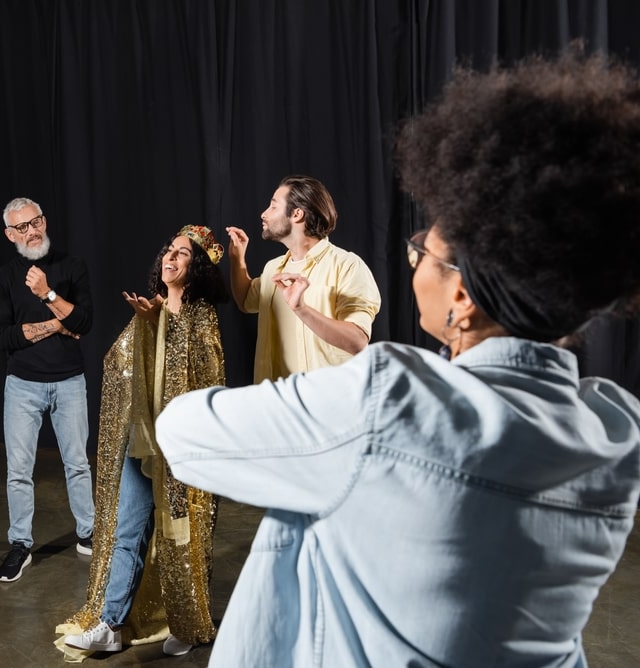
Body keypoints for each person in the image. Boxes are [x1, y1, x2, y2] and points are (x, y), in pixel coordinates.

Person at [155, 47, 640, 668]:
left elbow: (182, 430)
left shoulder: (392, 398)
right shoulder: (614, 430)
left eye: (423, 252)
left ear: (461, 295)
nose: (414, 261)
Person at [56, 226, 229, 660]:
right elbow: (118, 363)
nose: (171, 258)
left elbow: (205, 377)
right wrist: (150, 325)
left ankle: (189, 623)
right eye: (169, 251)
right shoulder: (148, 308)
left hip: (180, 452)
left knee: (181, 538)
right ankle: (110, 624)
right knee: (128, 530)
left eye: (183, 255)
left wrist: (164, 324)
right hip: (142, 444)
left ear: (198, 267)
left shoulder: (202, 314)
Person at [0, 197, 95, 582]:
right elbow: (3, 337)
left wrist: (47, 294)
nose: (32, 231)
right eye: (22, 227)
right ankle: (20, 543)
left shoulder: (70, 267)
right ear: (10, 234)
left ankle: (88, 533)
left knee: (78, 464)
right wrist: (59, 324)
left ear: (44, 221)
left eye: (36, 222)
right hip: (22, 387)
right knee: (18, 471)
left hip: (69, 381)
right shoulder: (2, 278)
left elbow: (86, 321)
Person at [226, 175, 381, 383]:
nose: (264, 214)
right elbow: (246, 300)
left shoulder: (348, 266)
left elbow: (358, 341)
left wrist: (302, 309)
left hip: (325, 406)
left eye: (273, 206)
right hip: (276, 403)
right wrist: (237, 259)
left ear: (297, 214)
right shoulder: (273, 268)